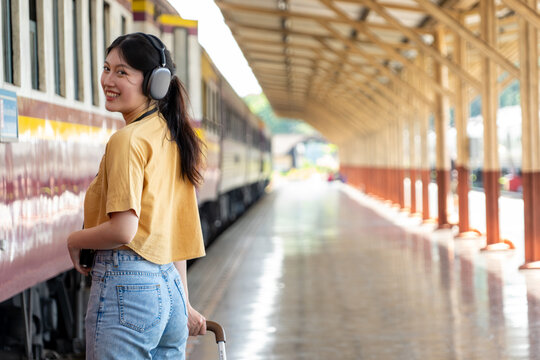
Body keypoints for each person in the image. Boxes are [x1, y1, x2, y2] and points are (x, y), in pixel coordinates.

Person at [66, 32, 206, 359]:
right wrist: (182, 302)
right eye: (106, 68)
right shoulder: (173, 136)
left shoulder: (127, 140)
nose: (108, 80)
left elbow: (123, 231)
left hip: (126, 288)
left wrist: (74, 240)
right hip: (167, 291)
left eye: (122, 72)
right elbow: (176, 236)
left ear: (156, 82)